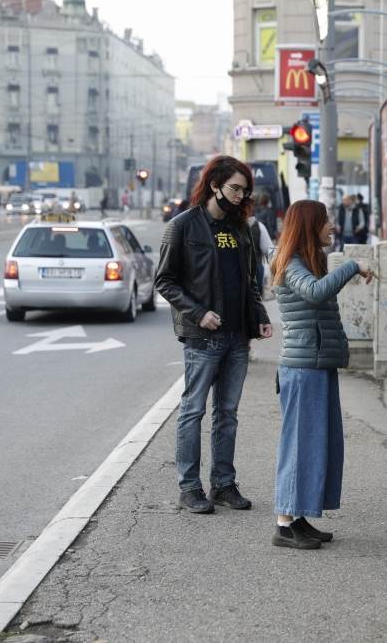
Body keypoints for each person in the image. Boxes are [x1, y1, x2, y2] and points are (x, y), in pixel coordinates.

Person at [155, 155, 273, 514]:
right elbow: (164, 281)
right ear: (214, 185)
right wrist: (198, 312)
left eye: (244, 190)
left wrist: (260, 316)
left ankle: (224, 484)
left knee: (228, 413)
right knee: (193, 411)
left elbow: (251, 281)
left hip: (238, 336)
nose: (240, 196)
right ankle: (189, 488)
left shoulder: (241, 229)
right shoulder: (183, 226)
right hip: (203, 336)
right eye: (235, 188)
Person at [269, 200, 374, 549]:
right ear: (310, 226)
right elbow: (315, 294)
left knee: (317, 445)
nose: (332, 226)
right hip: (302, 368)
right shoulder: (292, 262)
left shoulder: (308, 261)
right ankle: (285, 524)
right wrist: (352, 266)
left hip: (316, 364)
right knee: (299, 445)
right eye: (326, 220)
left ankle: (299, 517)